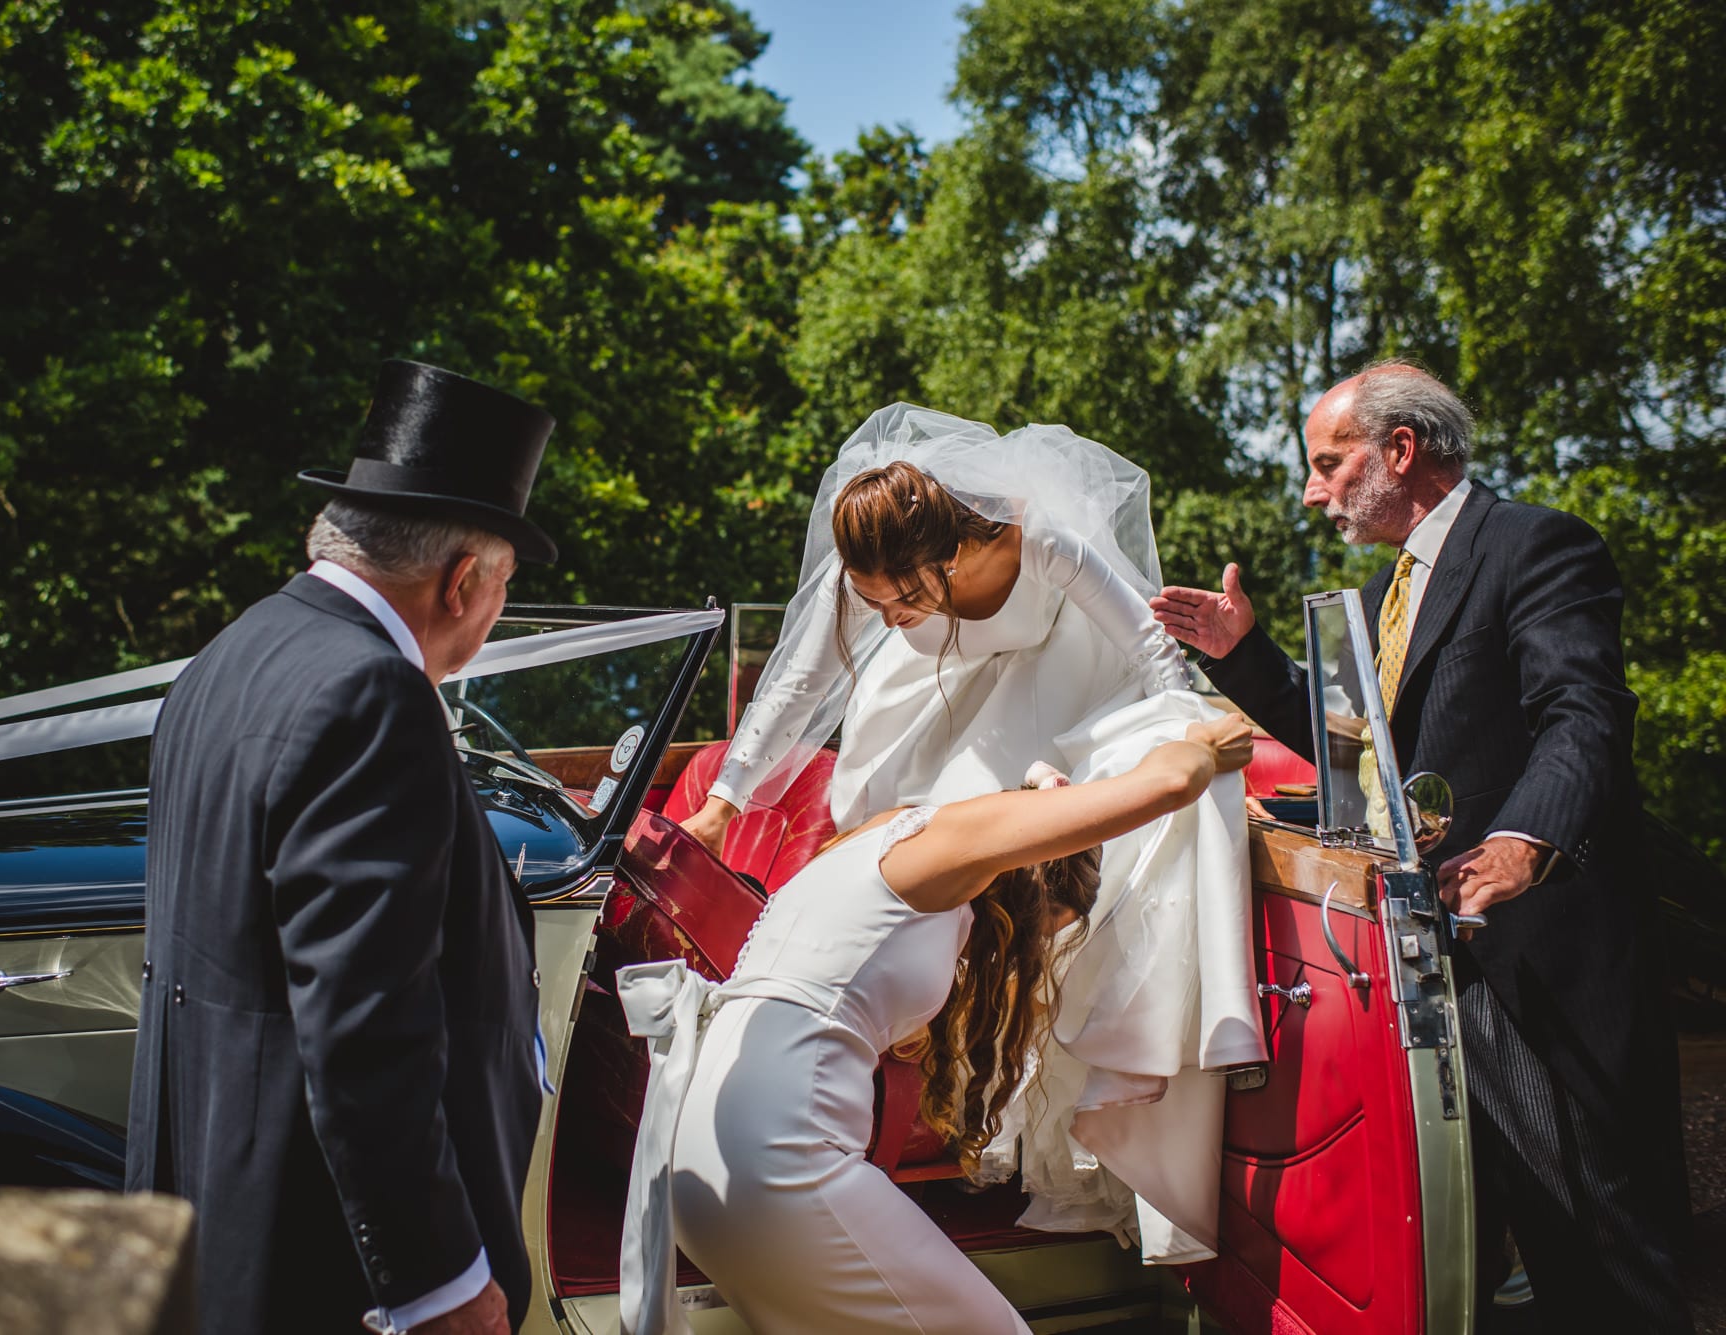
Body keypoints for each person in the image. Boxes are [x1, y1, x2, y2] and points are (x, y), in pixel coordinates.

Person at [1151, 361, 1691, 1333]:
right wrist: (1243, 655)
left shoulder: (1535, 546)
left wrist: (1525, 840)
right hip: (1433, 966)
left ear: (1398, 451)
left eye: (1325, 463)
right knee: (1473, 1247)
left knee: (1602, 1248)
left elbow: (1581, 713)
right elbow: (1350, 746)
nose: (1311, 490)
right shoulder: (1385, 591)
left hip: (1545, 964)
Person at [680, 403, 1263, 1262]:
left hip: (1052, 691)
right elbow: (796, 686)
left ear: (955, 552)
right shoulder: (874, 588)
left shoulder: (1046, 541)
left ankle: (1034, 1115)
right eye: (873, 603)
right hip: (925, 697)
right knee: (915, 875)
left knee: (1035, 872)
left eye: (906, 596)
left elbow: (1148, 646)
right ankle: (937, 1081)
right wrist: (723, 801)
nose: (887, 615)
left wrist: (1197, 743)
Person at [126, 361, 556, 1335]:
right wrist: (439, 1282)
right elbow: (365, 1023)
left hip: (219, 1212)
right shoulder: (373, 696)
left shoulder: (227, 656)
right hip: (329, 1262)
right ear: (461, 583)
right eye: (505, 587)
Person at [620, 715, 1255, 1334]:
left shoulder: (887, 837)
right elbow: (1171, 785)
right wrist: (1200, 741)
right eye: (1036, 937)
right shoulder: (957, 843)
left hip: (696, 1147)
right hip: (779, 1155)